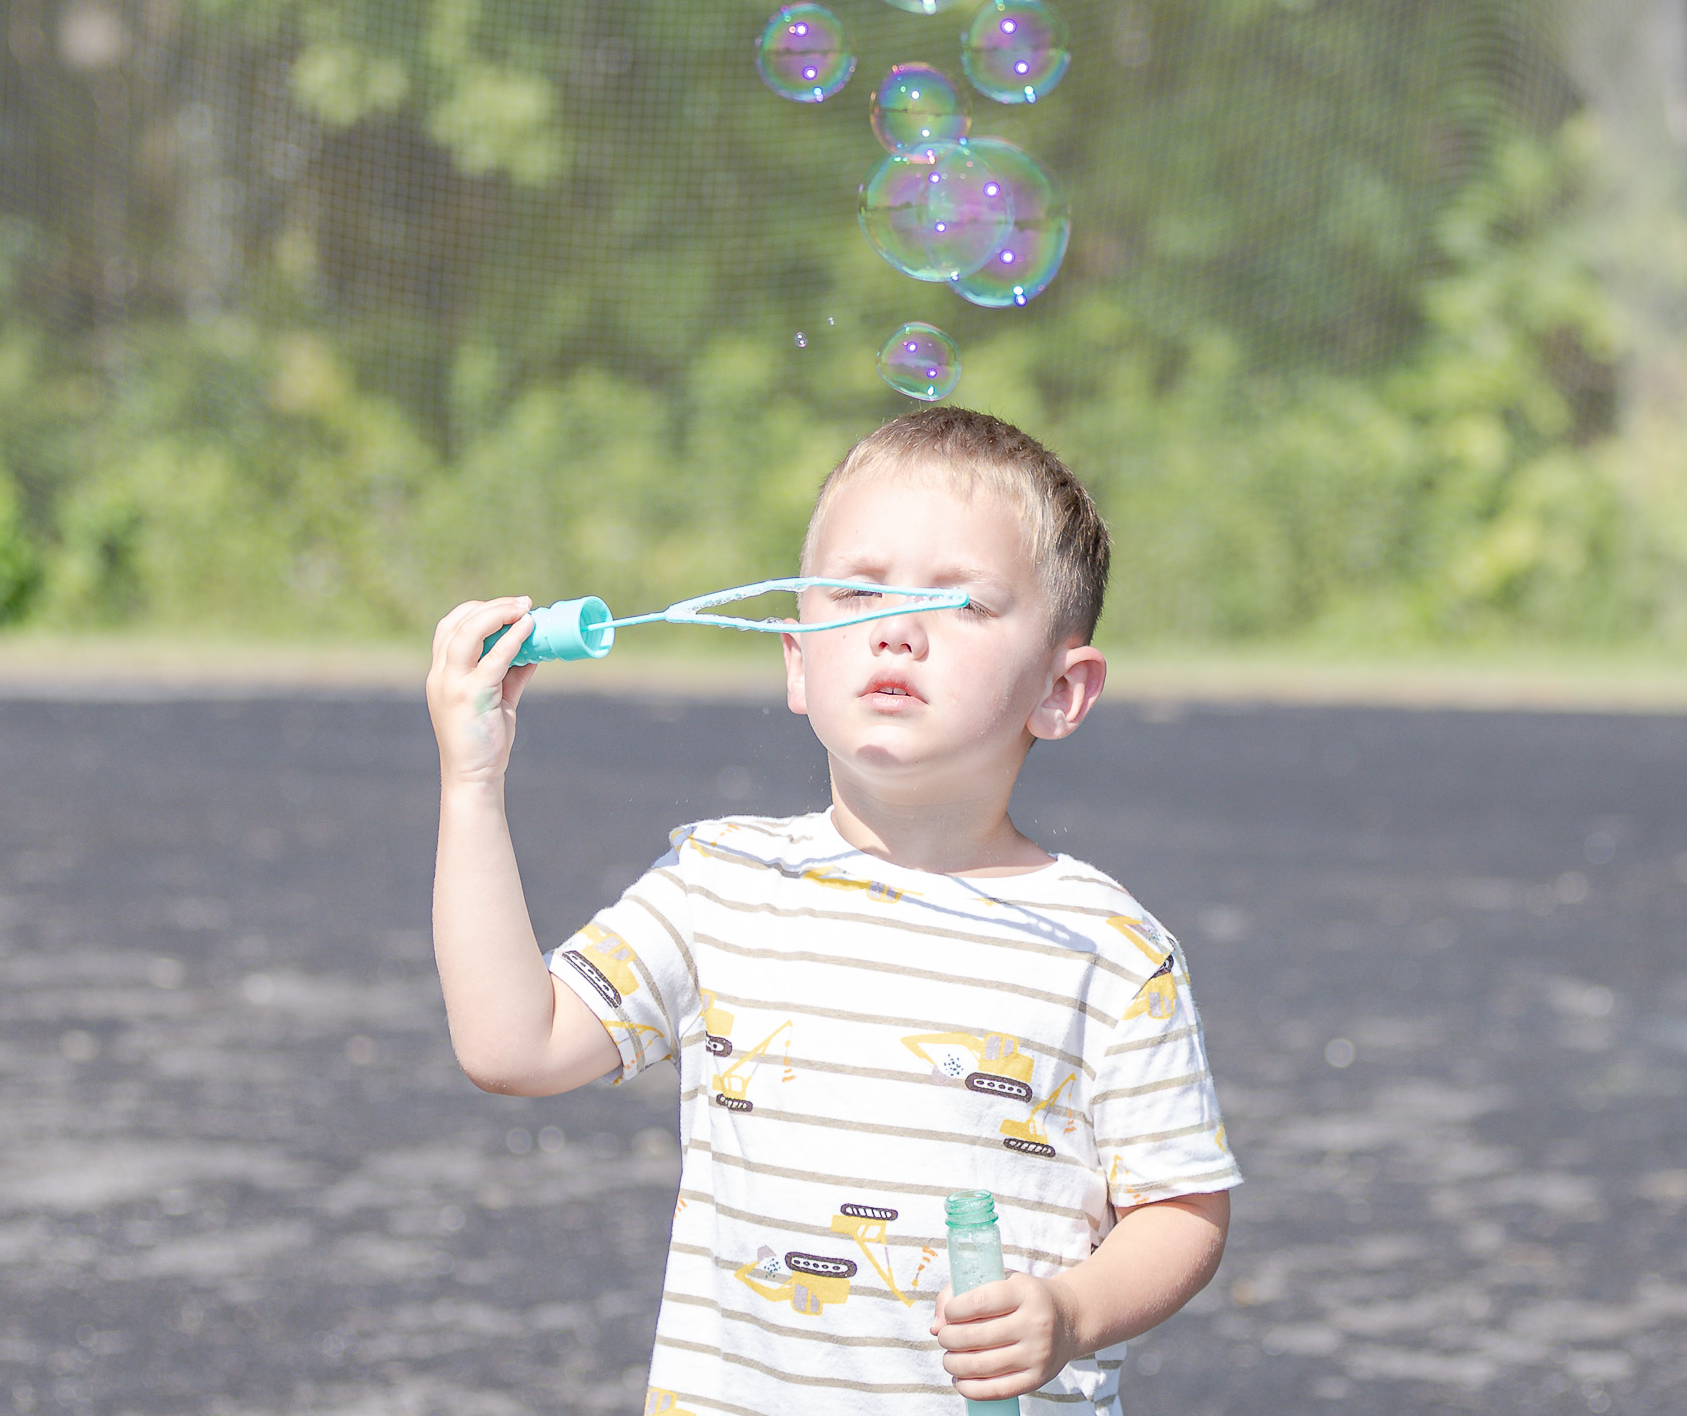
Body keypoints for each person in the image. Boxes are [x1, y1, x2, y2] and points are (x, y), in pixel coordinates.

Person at [427, 406, 1240, 1415]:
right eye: (857, 590)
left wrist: (1073, 1312)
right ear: (797, 661)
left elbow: (1182, 1210)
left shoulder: (1108, 949)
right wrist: (472, 783)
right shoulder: (718, 885)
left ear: (1060, 690)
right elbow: (513, 1045)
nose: (895, 628)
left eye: (960, 603)